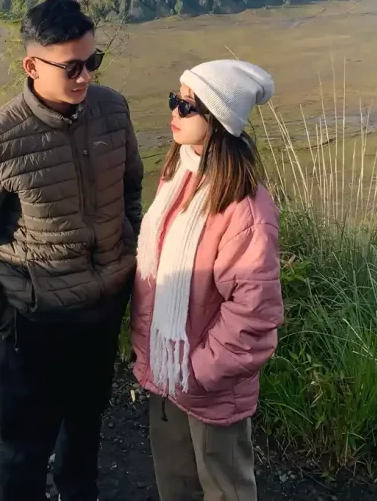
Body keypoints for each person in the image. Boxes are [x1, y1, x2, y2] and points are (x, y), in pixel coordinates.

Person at [0, 0, 143, 501]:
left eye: (93, 61)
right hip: (35, 324)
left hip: (102, 311)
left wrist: (126, 255)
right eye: (72, 66)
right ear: (31, 66)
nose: (86, 76)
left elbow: (130, 190)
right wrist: (6, 319)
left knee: (87, 427)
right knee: (26, 448)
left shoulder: (113, 110)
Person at [131, 60, 283, 501]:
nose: (174, 111)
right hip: (167, 370)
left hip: (207, 383)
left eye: (186, 105)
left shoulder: (245, 210)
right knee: (176, 484)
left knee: (224, 489)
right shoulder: (180, 175)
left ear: (218, 119)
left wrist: (198, 372)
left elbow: (253, 315)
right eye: (174, 100)